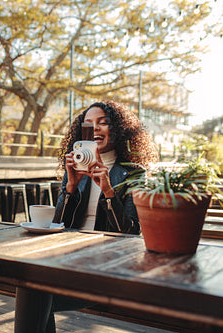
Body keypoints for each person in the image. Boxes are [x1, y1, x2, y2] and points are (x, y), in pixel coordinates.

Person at [15, 100, 157, 333]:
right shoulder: (76, 167)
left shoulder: (133, 173)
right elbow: (58, 225)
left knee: (33, 293)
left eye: (103, 123)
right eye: (88, 124)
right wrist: (71, 187)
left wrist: (109, 191)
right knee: (30, 283)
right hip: (71, 261)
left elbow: (131, 233)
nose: (96, 129)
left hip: (109, 267)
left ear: (119, 129)